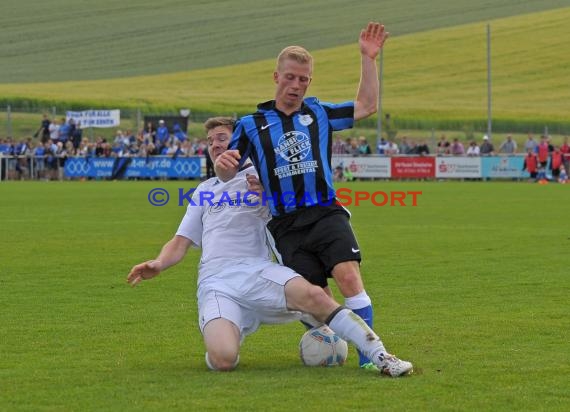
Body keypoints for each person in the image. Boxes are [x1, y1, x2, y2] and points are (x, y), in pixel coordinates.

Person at [127, 117, 412, 376]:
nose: (215, 145)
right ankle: (230, 326)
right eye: (210, 140)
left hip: (259, 271)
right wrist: (158, 263)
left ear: (240, 141)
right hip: (216, 281)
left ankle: (381, 356)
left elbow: (301, 211)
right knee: (224, 359)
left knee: (317, 297)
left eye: (222, 138)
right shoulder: (204, 190)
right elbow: (180, 243)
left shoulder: (268, 178)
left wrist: (270, 194)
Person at [214, 23, 399, 370]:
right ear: (276, 76)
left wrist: (368, 58)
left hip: (325, 212)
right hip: (286, 225)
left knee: (349, 277)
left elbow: (367, 105)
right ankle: (327, 337)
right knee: (315, 304)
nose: (296, 85)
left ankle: (369, 359)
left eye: (303, 79)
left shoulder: (319, 113)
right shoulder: (251, 124)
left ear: (309, 82)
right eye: (290, 77)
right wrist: (222, 164)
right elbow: (228, 171)